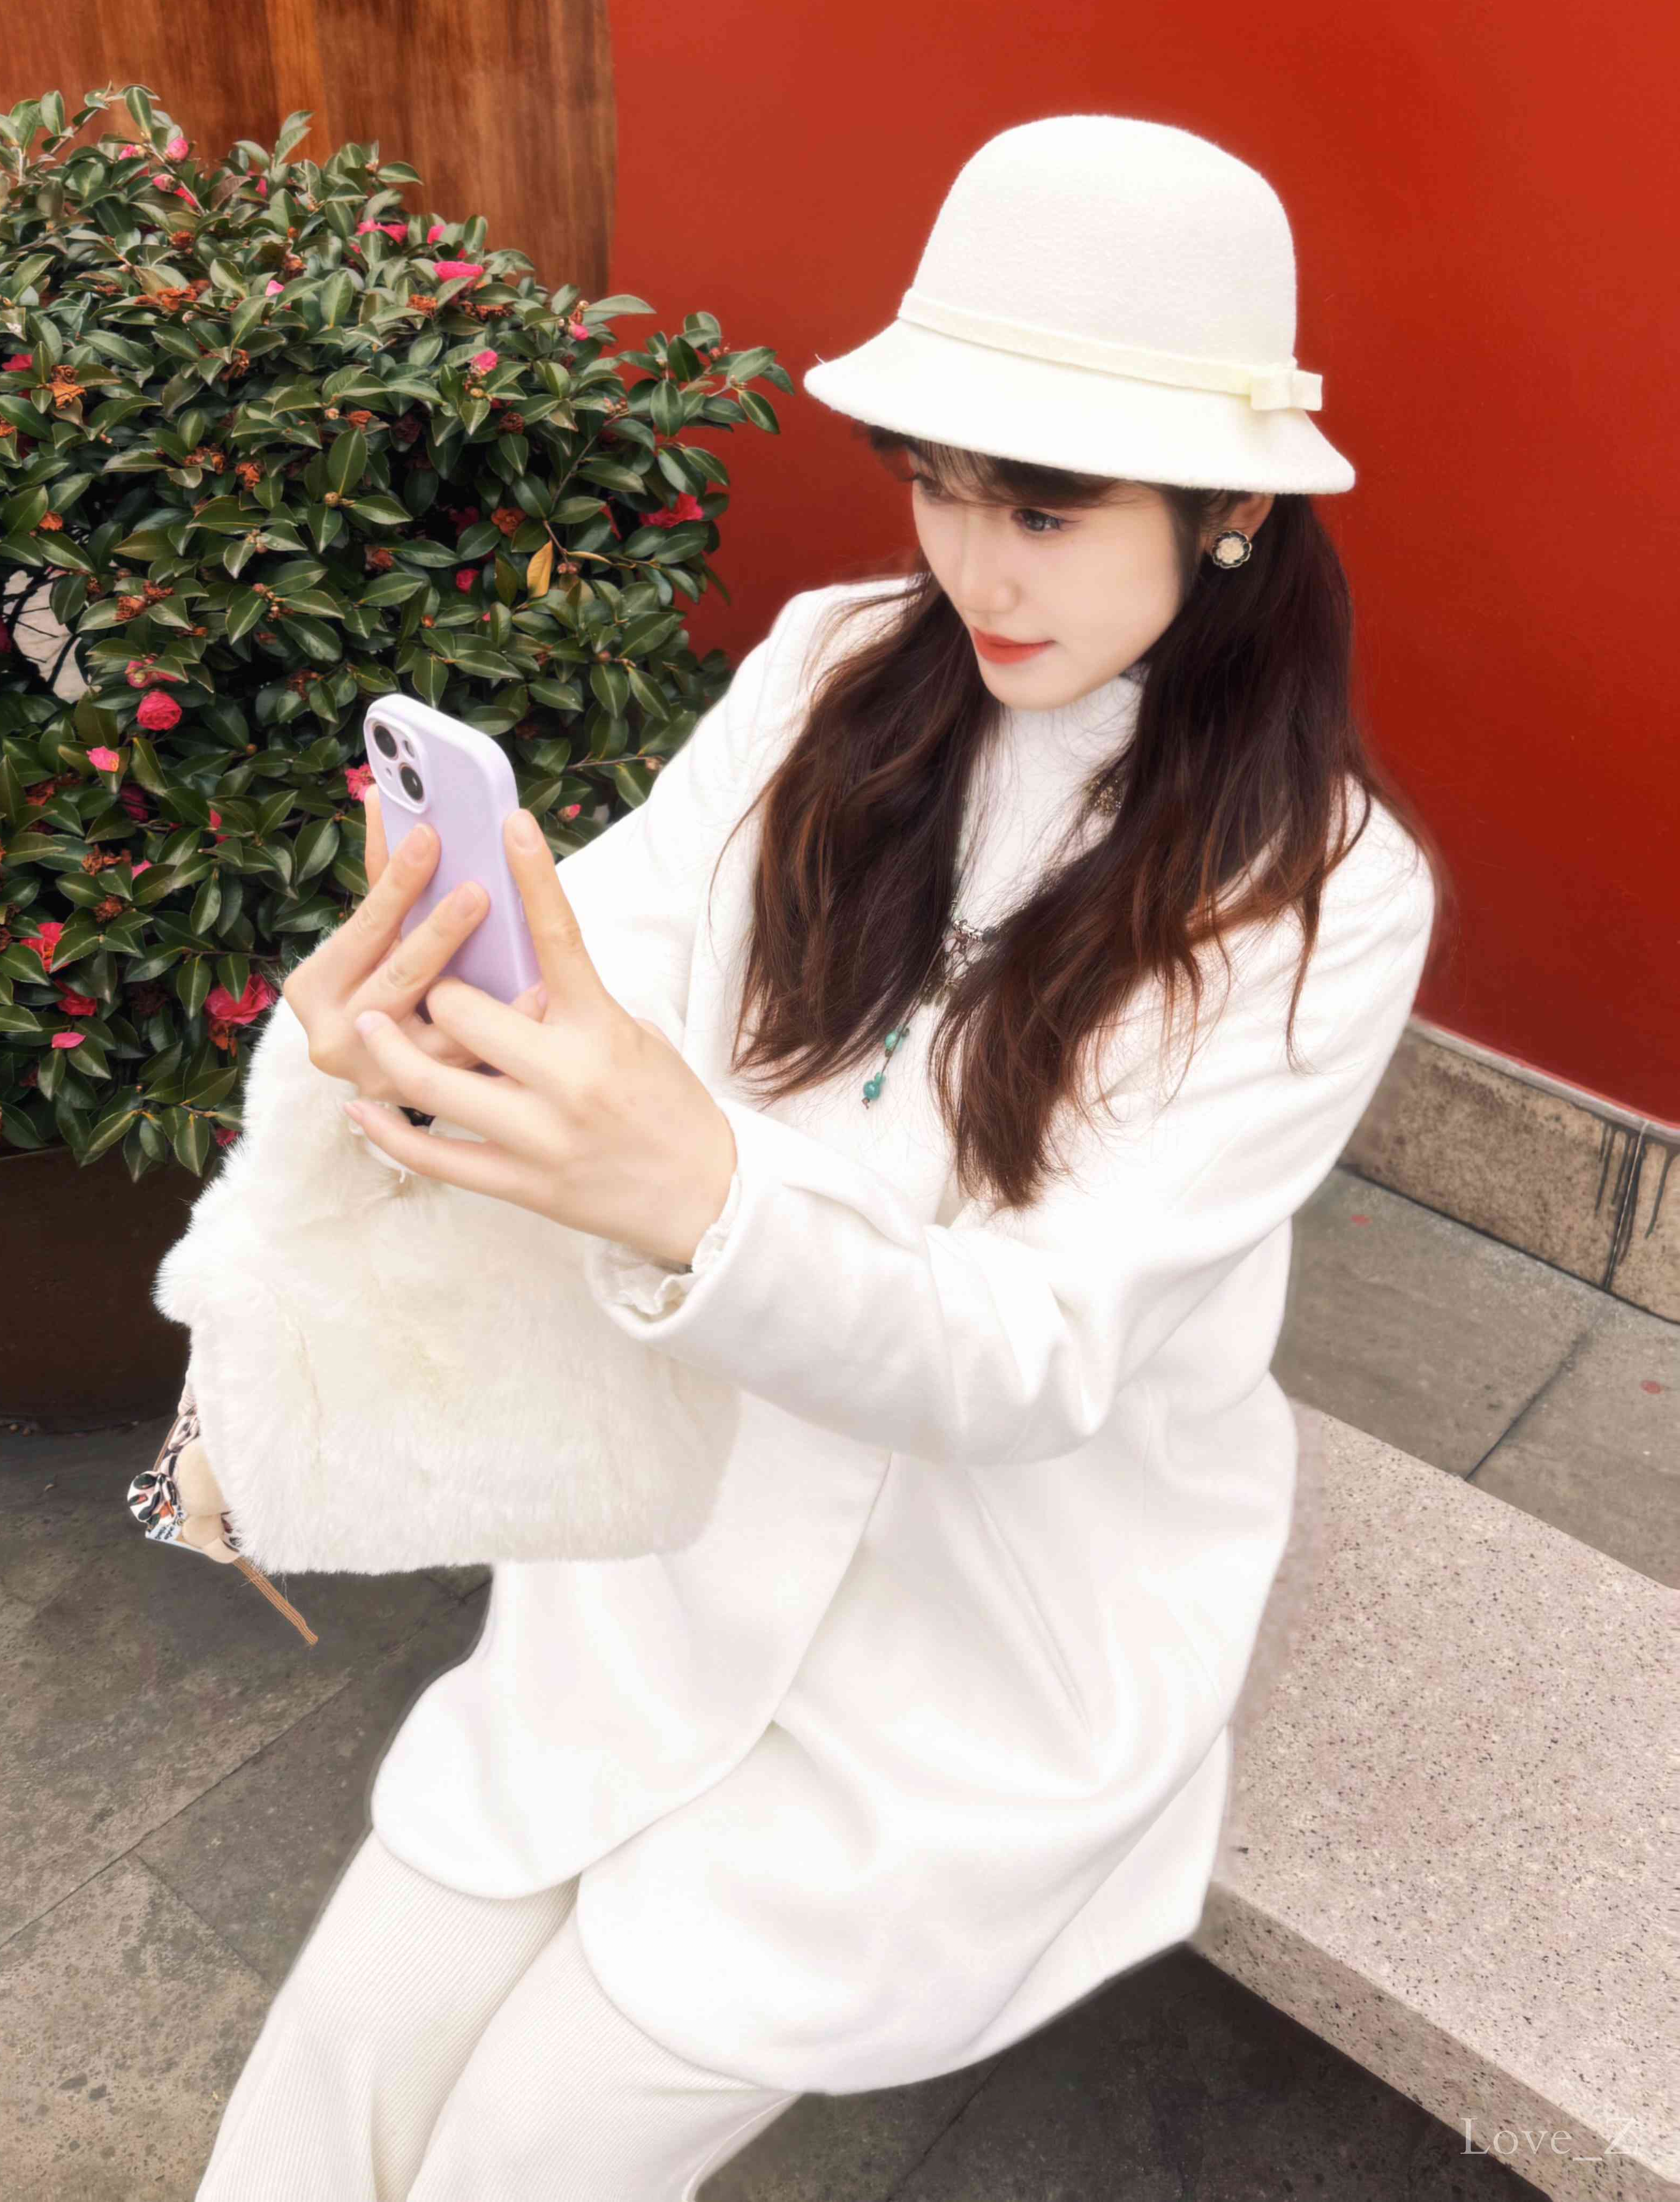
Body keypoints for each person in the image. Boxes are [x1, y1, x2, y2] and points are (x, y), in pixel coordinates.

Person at [180, 113, 1448, 2199]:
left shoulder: (1317, 896)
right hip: (674, 1512)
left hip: (984, 1621)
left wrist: (690, 1188)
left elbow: (1037, 1352)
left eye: (1043, 505)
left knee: (536, 2141)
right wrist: (409, 1038)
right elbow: (616, 942)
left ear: (1230, 508)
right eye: (937, 479)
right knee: (341, 2057)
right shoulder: (841, 667)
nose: (974, 563)